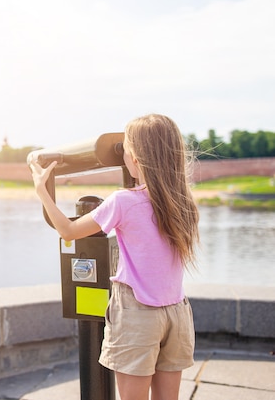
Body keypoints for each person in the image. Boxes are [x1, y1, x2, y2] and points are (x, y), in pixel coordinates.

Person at [29, 114, 199, 400]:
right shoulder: (185, 202)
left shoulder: (123, 202)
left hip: (138, 315)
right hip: (178, 314)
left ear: (135, 160)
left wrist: (42, 190)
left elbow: (68, 231)